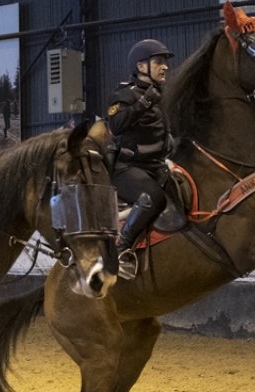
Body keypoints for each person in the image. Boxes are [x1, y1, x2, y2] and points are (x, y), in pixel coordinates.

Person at [106, 38, 174, 280]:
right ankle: (121, 247)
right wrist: (144, 103)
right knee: (152, 198)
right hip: (127, 167)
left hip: (155, 166)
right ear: (141, 66)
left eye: (165, 62)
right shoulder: (125, 94)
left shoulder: (160, 94)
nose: (164, 66)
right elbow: (116, 123)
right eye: (158, 61)